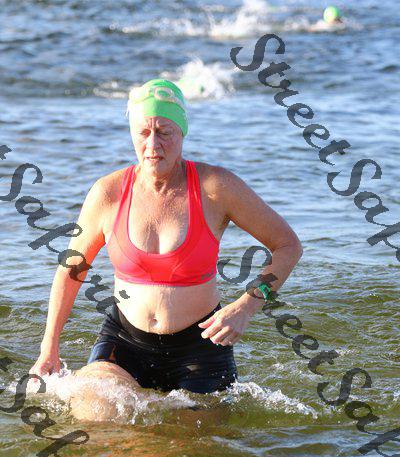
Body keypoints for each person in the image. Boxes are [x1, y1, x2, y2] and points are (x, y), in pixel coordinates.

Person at [29, 78, 303, 421]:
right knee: (95, 413)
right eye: (144, 132)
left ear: (183, 132)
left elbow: (288, 245)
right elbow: (72, 269)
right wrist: (49, 347)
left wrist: (247, 305)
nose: (153, 145)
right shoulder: (108, 193)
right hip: (125, 341)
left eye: (164, 132)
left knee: (193, 442)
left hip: (200, 348)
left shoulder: (216, 188)